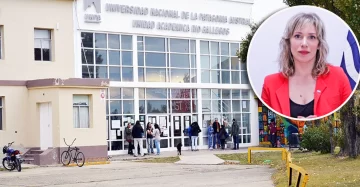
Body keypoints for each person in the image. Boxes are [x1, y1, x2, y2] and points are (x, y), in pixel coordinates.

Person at [261, 12, 352, 119]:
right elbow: (266, 122)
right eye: (298, 36)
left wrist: (321, 124)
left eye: (312, 37)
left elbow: (351, 118)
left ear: (319, 44)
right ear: (289, 42)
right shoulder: (270, 84)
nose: (304, 43)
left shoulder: (338, 76)